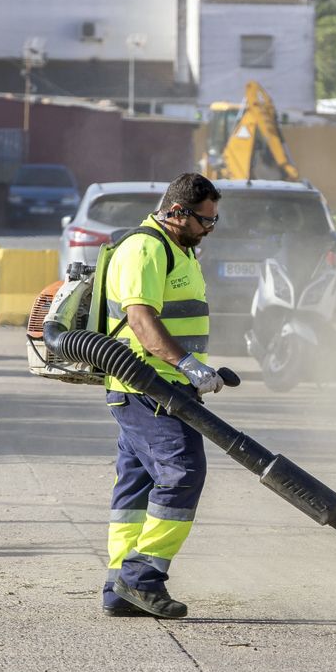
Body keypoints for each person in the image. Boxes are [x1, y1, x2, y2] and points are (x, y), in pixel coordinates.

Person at [101, 172, 224, 618]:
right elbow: (141, 320)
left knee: (136, 487)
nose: (208, 230)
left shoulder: (179, 249)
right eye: (203, 222)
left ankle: (120, 587)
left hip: (159, 385)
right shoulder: (146, 247)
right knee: (182, 473)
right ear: (176, 212)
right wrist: (187, 364)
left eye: (214, 221)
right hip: (146, 386)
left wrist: (195, 370)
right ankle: (141, 577)